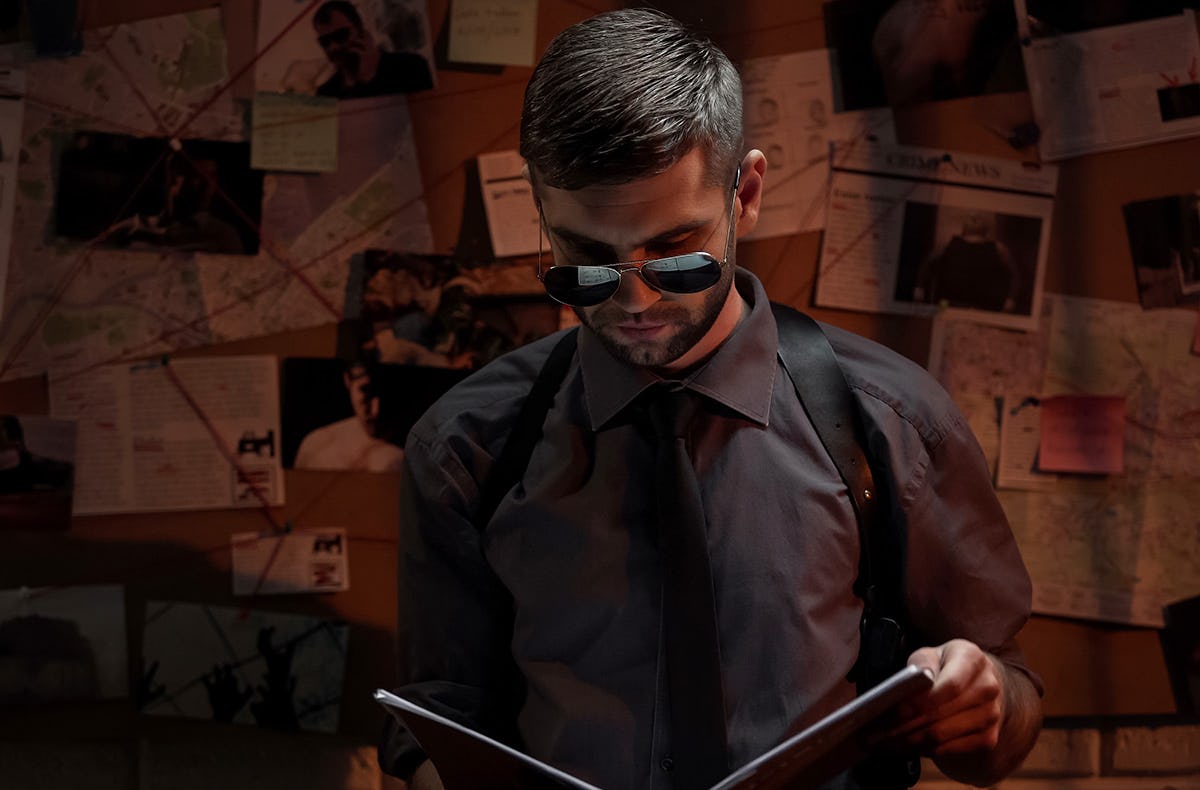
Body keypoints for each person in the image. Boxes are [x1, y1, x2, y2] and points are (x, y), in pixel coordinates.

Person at [382, 9, 1042, 790]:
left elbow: (1007, 712)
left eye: (675, 252)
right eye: (587, 259)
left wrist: (987, 705)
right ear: (542, 212)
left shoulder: (890, 423)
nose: (633, 299)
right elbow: (435, 718)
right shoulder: (468, 447)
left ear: (746, 194)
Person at [293, 361, 403, 472]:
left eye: (386, 393)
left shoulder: (409, 450)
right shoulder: (316, 446)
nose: (376, 411)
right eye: (365, 390)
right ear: (347, 381)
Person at [311, 0, 432, 99]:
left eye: (340, 35)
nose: (333, 47)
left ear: (360, 31)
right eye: (325, 41)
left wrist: (369, 76)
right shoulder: (325, 95)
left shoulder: (411, 67)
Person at [911, 211, 1022, 313]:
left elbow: (1014, 274)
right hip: (948, 303)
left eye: (977, 220)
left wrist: (1011, 299)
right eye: (972, 219)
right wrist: (918, 287)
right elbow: (927, 265)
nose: (975, 220)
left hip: (982, 307)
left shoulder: (998, 248)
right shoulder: (947, 244)